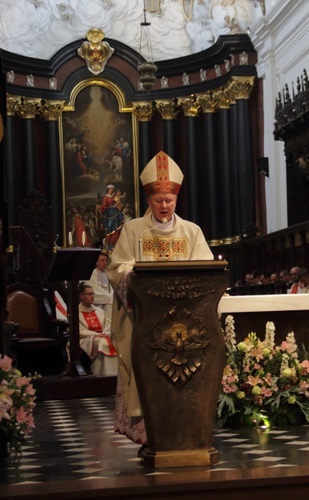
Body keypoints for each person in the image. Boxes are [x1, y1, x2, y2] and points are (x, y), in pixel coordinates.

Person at [107, 151, 214, 454]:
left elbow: (207, 273)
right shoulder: (132, 230)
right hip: (146, 324)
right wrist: (135, 276)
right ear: (149, 200)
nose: (164, 206)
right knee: (148, 380)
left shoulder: (192, 232)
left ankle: (187, 432)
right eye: (158, 201)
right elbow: (117, 269)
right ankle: (151, 436)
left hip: (187, 327)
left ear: (176, 199)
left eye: (169, 200)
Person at [77, 282, 118, 377]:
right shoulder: (76, 312)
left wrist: (105, 333)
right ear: (81, 296)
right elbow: (79, 330)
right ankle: (100, 373)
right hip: (85, 339)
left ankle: (114, 374)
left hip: (102, 336)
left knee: (114, 340)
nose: (92, 296)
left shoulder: (100, 311)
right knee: (102, 342)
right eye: (89, 294)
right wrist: (95, 335)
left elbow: (108, 326)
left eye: (93, 293)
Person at [88, 250, 114, 323]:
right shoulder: (92, 274)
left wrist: (109, 297)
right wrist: (108, 297)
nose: (105, 262)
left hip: (108, 302)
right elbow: (94, 290)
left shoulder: (109, 274)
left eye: (106, 260)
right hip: (97, 304)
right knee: (109, 302)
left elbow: (112, 290)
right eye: (102, 260)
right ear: (96, 262)